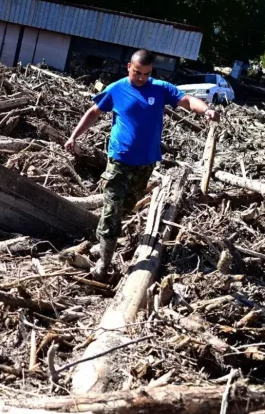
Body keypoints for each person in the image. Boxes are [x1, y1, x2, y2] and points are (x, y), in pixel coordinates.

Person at [65, 50, 219, 278]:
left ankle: (102, 242)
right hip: (119, 160)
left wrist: (206, 109)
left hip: (146, 163)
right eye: (137, 72)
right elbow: (94, 112)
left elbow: (186, 99)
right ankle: (104, 264)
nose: (140, 78)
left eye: (146, 74)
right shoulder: (116, 89)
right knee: (112, 209)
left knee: (127, 205)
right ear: (129, 67)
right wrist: (74, 136)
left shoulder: (159, 88)